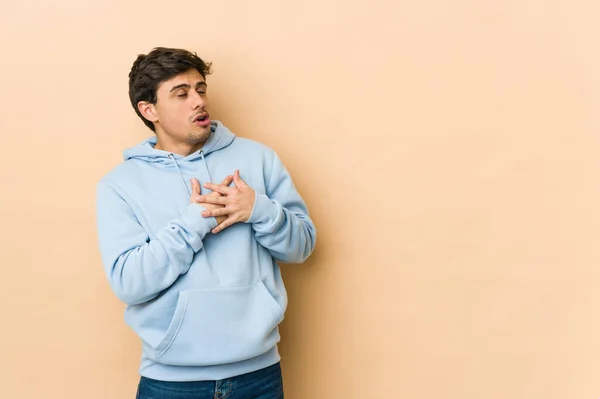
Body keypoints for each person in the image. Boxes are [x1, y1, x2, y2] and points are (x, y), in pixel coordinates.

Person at [96, 47, 316, 399]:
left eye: (200, 89)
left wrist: (259, 209)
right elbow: (129, 283)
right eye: (181, 94)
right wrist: (194, 221)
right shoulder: (119, 185)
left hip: (258, 375)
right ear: (148, 110)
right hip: (170, 384)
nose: (197, 101)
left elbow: (302, 247)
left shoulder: (257, 158)